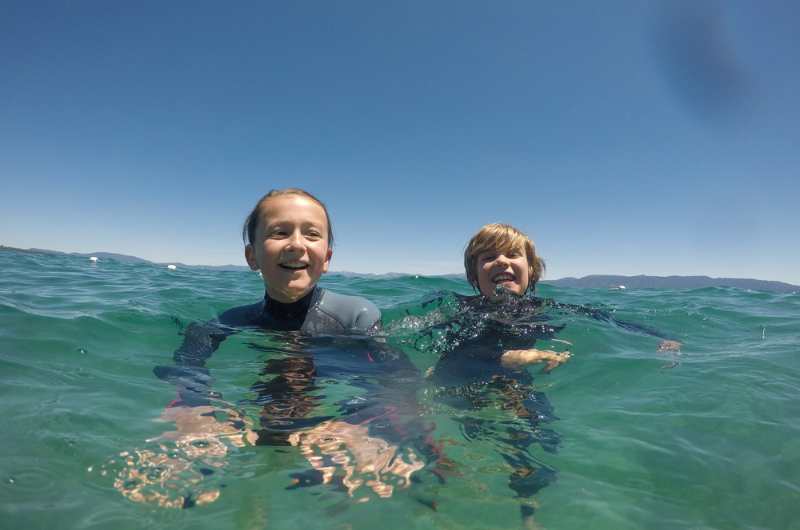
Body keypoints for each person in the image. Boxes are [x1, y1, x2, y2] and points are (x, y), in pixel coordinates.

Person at [127, 189, 426, 509]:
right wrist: (196, 404)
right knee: (200, 452)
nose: (296, 243)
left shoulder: (356, 315)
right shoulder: (235, 319)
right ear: (252, 256)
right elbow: (188, 361)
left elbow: (399, 375)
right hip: (261, 408)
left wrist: (362, 421)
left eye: (312, 234)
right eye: (280, 232)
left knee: (346, 497)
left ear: (326, 259)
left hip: (336, 408)